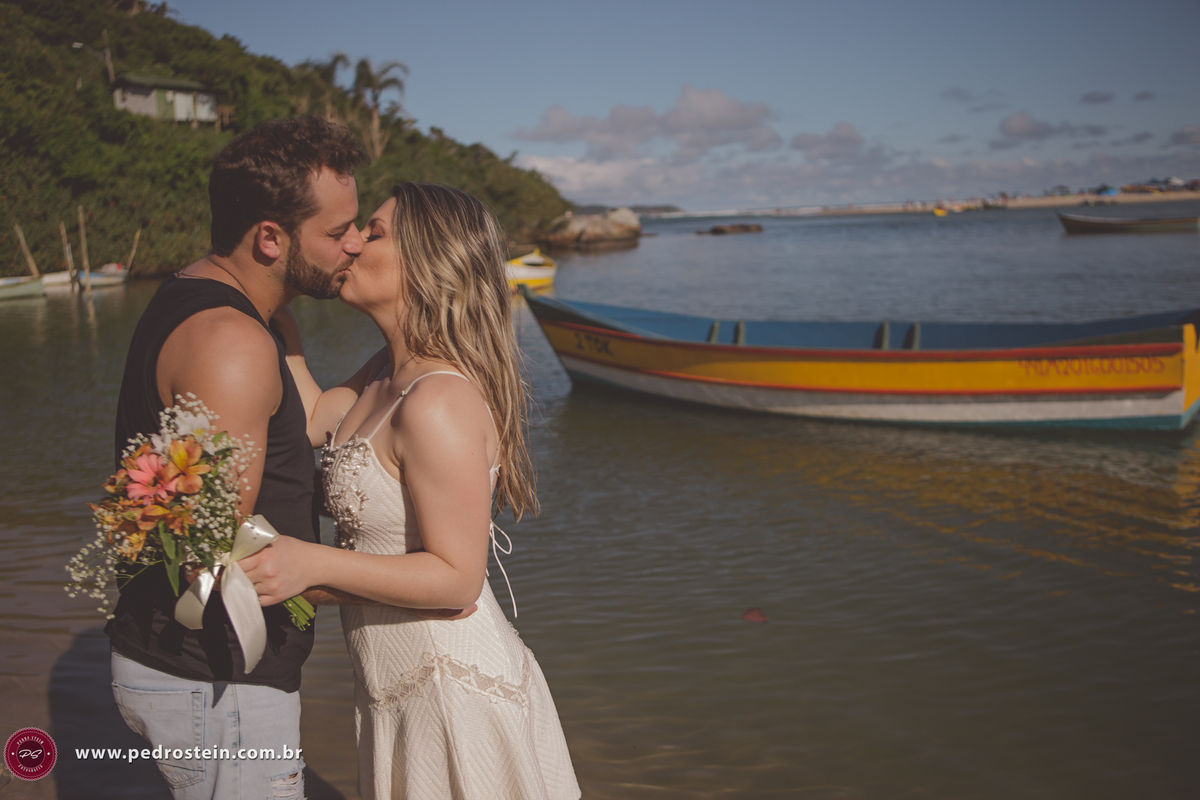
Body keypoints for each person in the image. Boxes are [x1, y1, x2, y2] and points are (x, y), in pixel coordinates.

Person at [105, 115, 468, 800]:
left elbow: (298, 432)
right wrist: (393, 582)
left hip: (184, 673)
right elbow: (222, 563)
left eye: (362, 225)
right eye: (338, 231)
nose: (354, 243)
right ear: (271, 237)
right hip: (218, 688)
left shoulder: (202, 300)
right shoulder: (234, 345)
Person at [241, 183, 581, 800]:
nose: (352, 242)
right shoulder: (383, 372)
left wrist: (310, 563)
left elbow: (457, 579)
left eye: (373, 231)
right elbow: (315, 417)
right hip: (397, 688)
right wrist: (275, 305)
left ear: (425, 263)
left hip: (450, 692)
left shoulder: (437, 400)